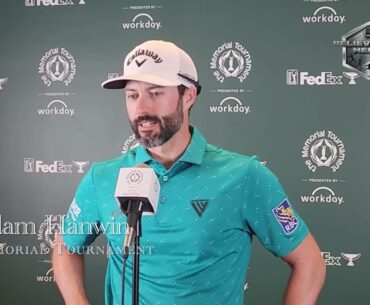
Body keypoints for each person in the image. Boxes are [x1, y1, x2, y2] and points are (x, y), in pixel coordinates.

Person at [52, 40, 326, 305]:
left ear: (188, 96)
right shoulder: (102, 177)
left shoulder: (245, 176)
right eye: (132, 95)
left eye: (156, 92)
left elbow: (308, 261)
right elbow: (66, 246)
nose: (142, 108)